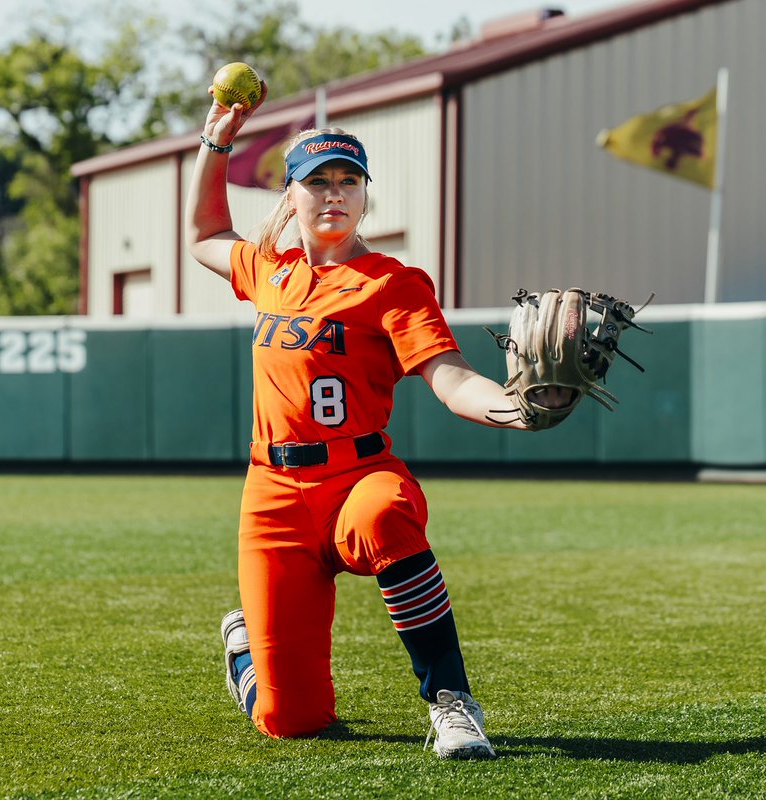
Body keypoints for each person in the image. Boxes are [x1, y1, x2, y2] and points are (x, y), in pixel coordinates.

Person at [184, 81, 568, 759]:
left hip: (360, 474)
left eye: (348, 180)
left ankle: (450, 702)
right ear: (291, 195)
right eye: (318, 181)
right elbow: (206, 234)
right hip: (271, 497)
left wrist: (515, 408)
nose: (334, 192)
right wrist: (216, 141)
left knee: (384, 518)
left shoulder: (392, 282)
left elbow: (448, 378)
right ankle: (246, 650)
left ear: (364, 195)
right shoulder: (269, 270)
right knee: (289, 719)